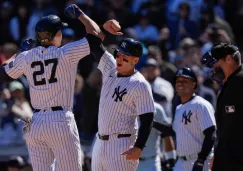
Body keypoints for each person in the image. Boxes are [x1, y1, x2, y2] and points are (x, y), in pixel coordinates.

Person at [0, 4, 121, 171]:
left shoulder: (26, 57)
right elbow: (97, 35)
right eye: (60, 32)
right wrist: (80, 15)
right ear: (56, 34)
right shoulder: (65, 53)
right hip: (60, 120)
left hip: (36, 122)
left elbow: (3, 74)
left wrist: (20, 52)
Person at [90, 38, 155, 171]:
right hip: (100, 141)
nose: (119, 59)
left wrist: (138, 147)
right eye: (118, 54)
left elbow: (147, 119)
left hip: (121, 143)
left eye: (125, 57)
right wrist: (81, 16)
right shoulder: (110, 68)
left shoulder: (140, 84)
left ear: (135, 60)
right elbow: (94, 44)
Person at [153, 67, 216, 171]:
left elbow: (211, 134)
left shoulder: (201, 104)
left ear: (194, 84)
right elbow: (174, 131)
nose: (180, 84)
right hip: (181, 162)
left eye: (185, 81)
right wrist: (152, 123)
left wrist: (201, 160)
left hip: (199, 161)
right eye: (178, 81)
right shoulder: (179, 107)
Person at [201, 43, 243, 171]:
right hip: (227, 158)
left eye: (215, 64)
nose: (214, 69)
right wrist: (218, 154)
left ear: (228, 60)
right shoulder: (230, 83)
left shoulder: (240, 82)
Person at [136, 102, 176, 171]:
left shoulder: (157, 109)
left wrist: (171, 160)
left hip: (151, 162)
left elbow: (165, 135)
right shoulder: (123, 108)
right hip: (128, 162)